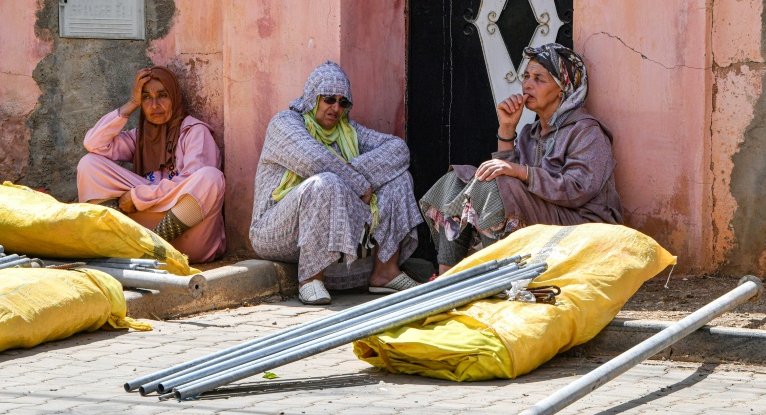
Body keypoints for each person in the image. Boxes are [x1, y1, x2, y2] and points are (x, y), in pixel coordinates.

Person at [420, 43, 623, 274]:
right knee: (458, 179)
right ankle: (447, 274)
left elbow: (578, 189)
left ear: (562, 89)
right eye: (526, 76)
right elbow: (507, 179)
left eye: (539, 78)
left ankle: (497, 276)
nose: (527, 84)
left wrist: (521, 172)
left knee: (494, 185)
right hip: (543, 214)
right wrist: (507, 129)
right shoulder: (530, 133)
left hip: (582, 224)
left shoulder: (586, 131)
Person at [249, 61, 423, 305]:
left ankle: (385, 272)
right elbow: (314, 160)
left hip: (334, 217)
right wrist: (358, 184)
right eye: (329, 99)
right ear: (313, 97)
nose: (336, 108)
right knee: (326, 181)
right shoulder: (285, 123)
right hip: (274, 230)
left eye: (343, 102)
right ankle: (310, 278)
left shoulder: (348, 130)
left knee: (399, 177)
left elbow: (398, 149)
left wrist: (355, 174)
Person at [77, 66, 226, 263]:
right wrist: (132, 103)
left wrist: (138, 196)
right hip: (144, 230)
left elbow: (195, 183)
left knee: (211, 177)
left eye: (162, 95)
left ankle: (151, 249)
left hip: (190, 237)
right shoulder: (140, 137)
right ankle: (120, 242)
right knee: (89, 164)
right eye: (146, 98)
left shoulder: (194, 132)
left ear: (175, 97)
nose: (154, 105)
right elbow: (93, 143)